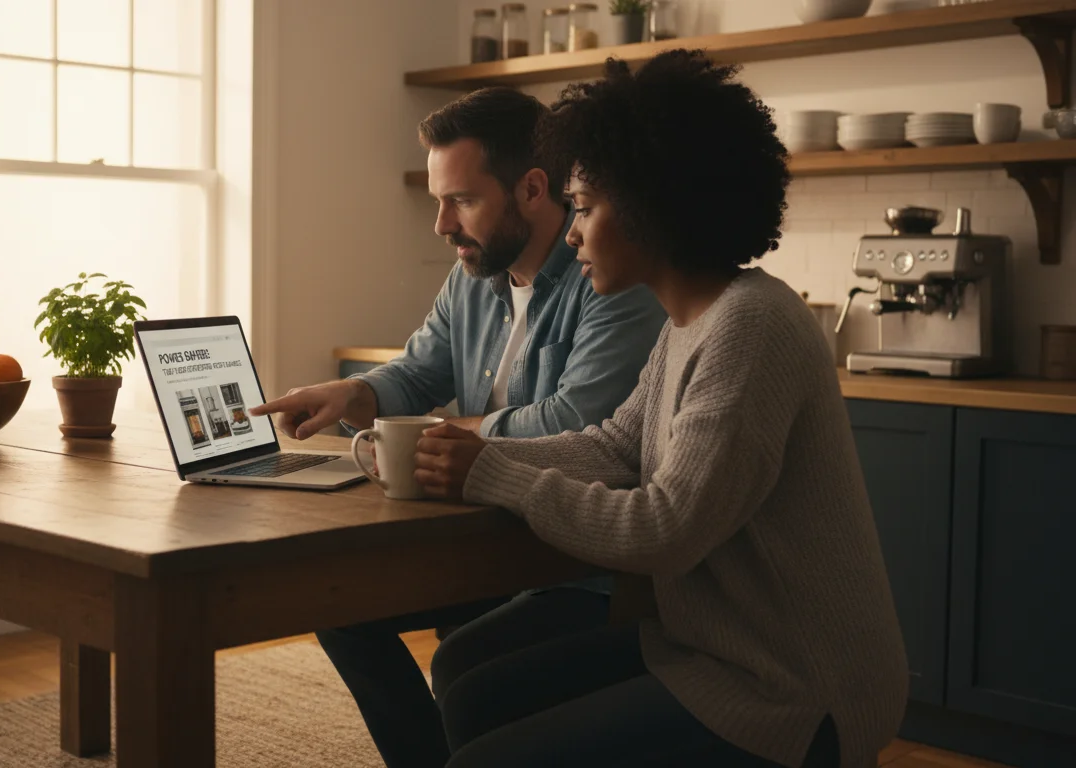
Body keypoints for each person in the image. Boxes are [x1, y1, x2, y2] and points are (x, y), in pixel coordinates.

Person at [412, 51, 910, 768]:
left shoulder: (753, 326)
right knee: (469, 694)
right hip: (711, 652)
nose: (572, 232)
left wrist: (496, 475)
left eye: (583, 207)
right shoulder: (692, 323)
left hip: (790, 689)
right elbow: (616, 447)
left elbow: (667, 528)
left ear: (652, 205)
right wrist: (478, 459)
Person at [250, 86, 667, 768]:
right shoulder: (473, 275)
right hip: (482, 545)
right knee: (337, 607)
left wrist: (450, 435)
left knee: (466, 674)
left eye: (462, 200)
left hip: (578, 567)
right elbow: (416, 375)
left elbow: (578, 423)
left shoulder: (612, 279)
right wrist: (349, 392)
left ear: (533, 188)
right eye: (440, 201)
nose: (441, 224)